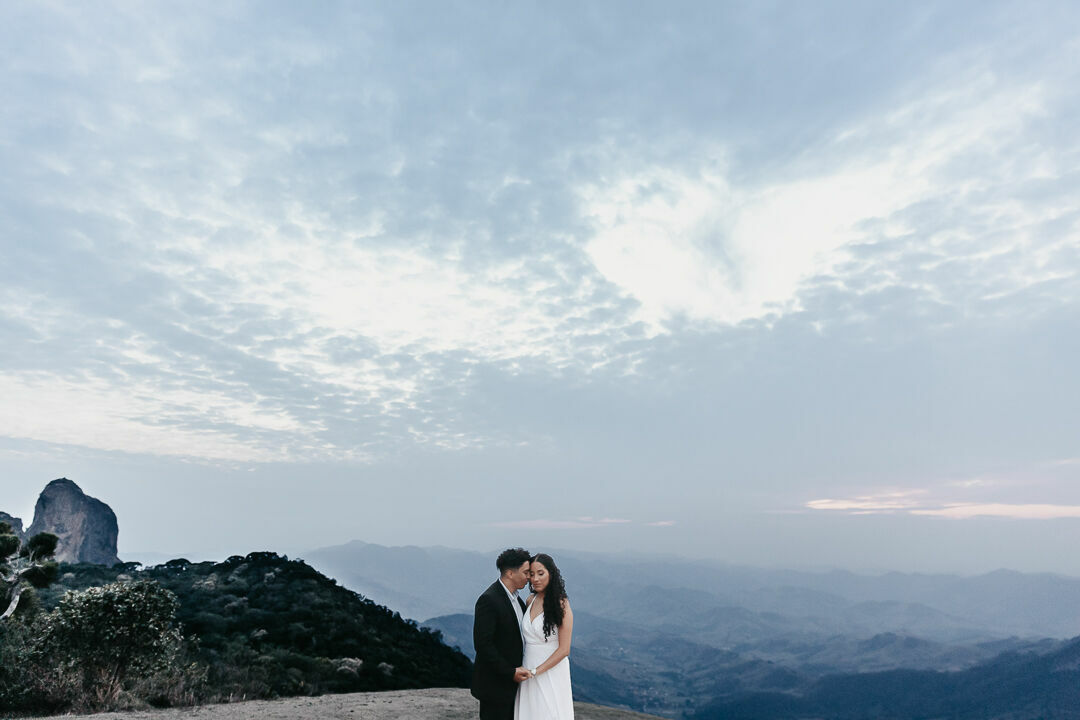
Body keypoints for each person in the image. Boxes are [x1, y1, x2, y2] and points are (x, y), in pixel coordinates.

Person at [472, 547, 533, 720]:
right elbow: (483, 645)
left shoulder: (516, 598)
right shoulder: (489, 600)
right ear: (510, 573)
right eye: (526, 572)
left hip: (512, 686)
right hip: (495, 686)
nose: (529, 577)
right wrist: (510, 672)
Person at [515, 552, 574, 720]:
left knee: (549, 712)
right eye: (531, 574)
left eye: (541, 573)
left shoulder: (561, 603)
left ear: (551, 574)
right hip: (527, 666)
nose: (535, 579)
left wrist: (536, 671)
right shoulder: (530, 600)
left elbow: (564, 649)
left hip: (551, 670)